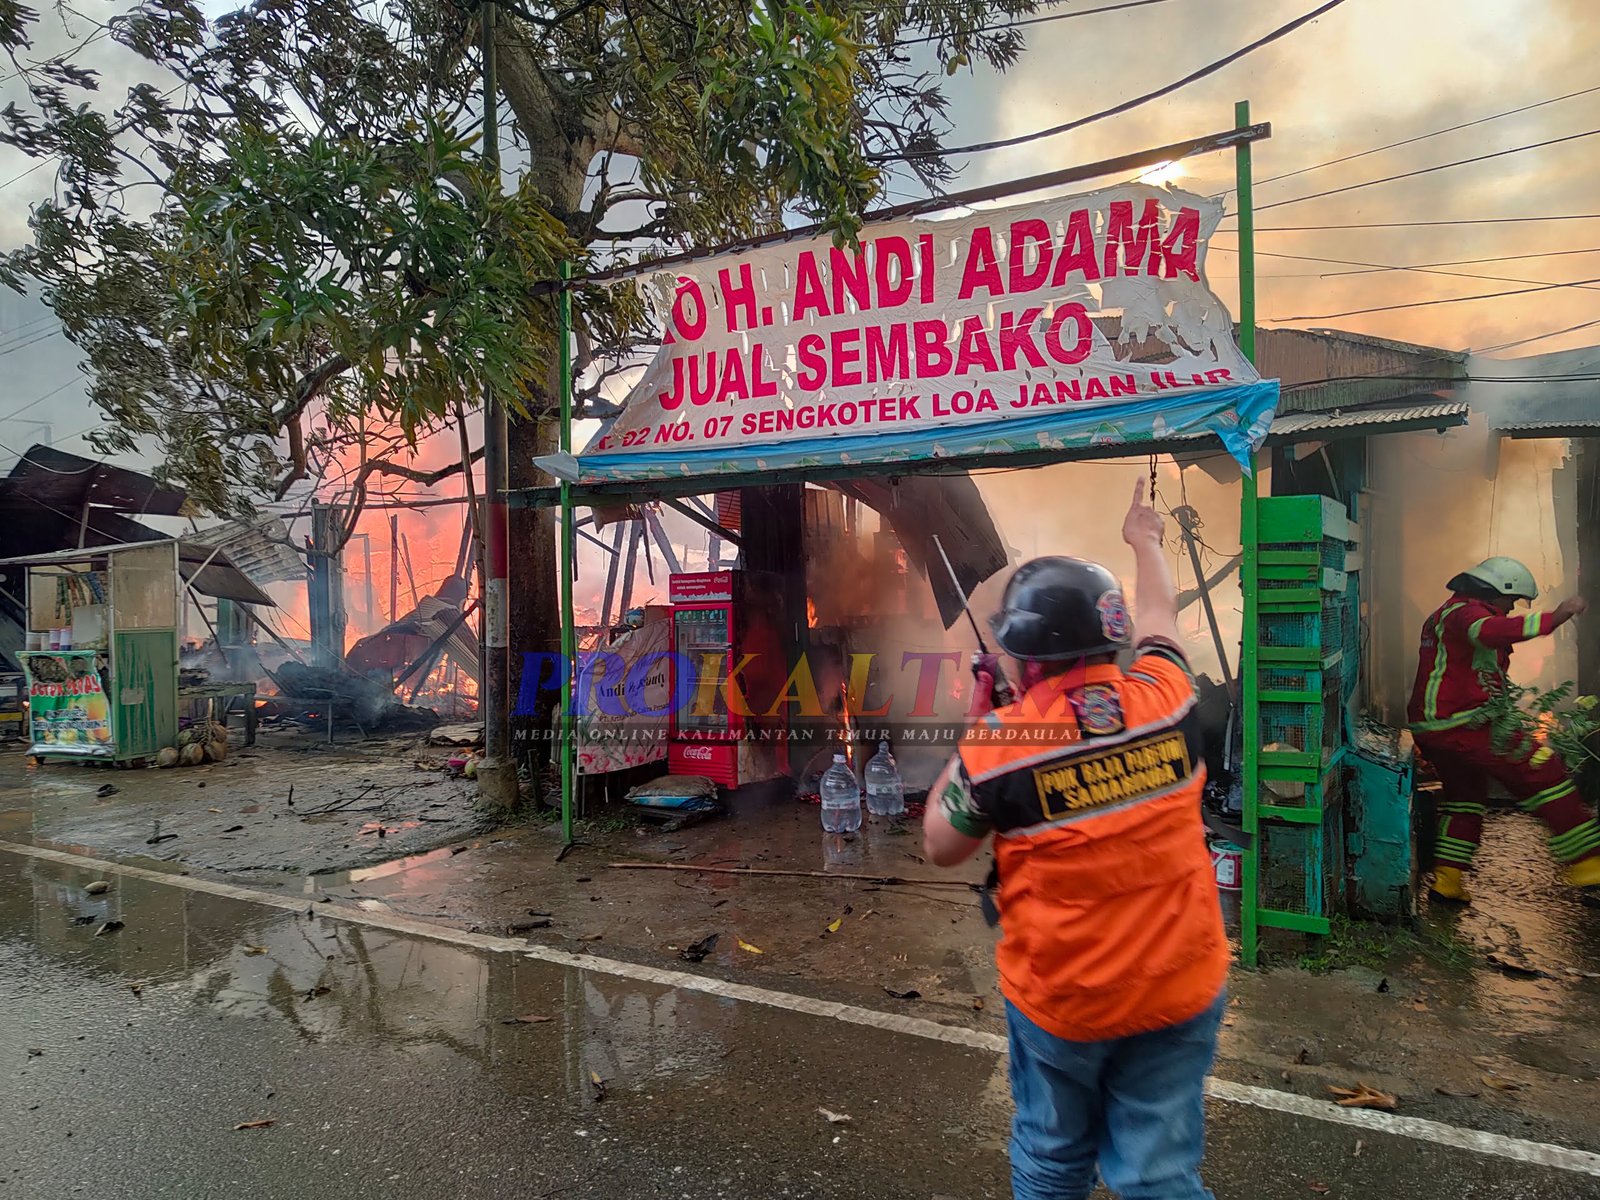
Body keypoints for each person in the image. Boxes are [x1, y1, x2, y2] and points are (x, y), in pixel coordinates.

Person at [923, 479, 1226, 1200]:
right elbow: (1161, 615)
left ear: (1026, 659)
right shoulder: (1169, 696)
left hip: (1069, 1001)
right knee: (1158, 1173)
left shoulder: (1002, 745)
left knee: (1054, 1158)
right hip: (1182, 984)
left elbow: (941, 843)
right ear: (1111, 636)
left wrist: (981, 724)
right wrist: (1144, 540)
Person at [1407, 556, 1600, 902]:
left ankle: (1448, 881)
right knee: (1544, 772)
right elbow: (1490, 632)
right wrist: (1555, 617)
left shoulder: (1446, 614)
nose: (1511, 608)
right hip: (1466, 724)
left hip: (1438, 728)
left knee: (1465, 801)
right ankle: (1589, 865)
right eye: (1511, 600)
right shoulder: (1468, 613)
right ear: (1496, 590)